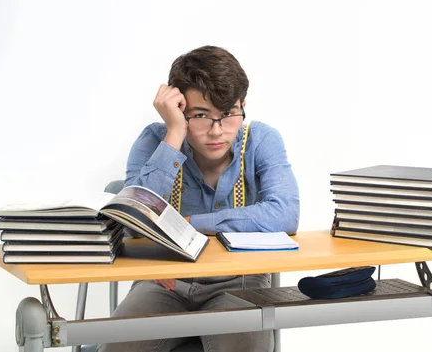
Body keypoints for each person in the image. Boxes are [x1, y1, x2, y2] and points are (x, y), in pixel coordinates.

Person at [98, 46, 300, 352]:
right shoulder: (156, 140)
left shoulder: (261, 140)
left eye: (229, 114)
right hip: (164, 280)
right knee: (118, 346)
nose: (217, 131)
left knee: (242, 346)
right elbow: (132, 223)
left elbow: (285, 213)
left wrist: (189, 224)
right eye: (201, 116)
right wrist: (175, 132)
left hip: (239, 281)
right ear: (179, 109)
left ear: (242, 106)